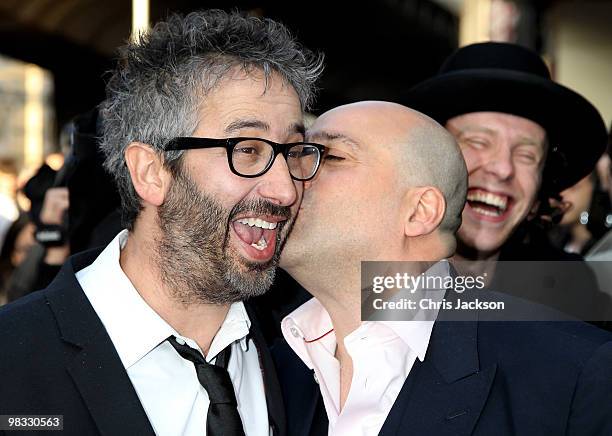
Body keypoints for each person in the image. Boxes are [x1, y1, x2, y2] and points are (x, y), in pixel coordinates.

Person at [0, 9, 324, 436]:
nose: (285, 191)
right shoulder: (12, 361)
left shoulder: (304, 347)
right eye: (247, 150)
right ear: (152, 172)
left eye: (294, 150)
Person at [272, 100, 612, 436]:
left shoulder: (574, 375)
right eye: (296, 154)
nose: (285, 176)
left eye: (329, 156)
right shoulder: (265, 366)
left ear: (420, 211)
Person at [406, 41, 611, 323]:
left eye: (527, 154)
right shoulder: (368, 283)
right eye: (478, 142)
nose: (503, 169)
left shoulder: (572, 294)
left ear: (540, 188)